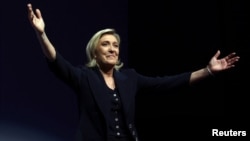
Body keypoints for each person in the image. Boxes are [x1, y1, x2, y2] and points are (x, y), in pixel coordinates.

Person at [27, 3, 240, 141]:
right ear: (95, 52)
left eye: (115, 45)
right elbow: (57, 62)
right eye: (106, 45)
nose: (112, 49)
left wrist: (208, 71)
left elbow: (168, 83)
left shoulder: (130, 78)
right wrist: (42, 34)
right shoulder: (84, 77)